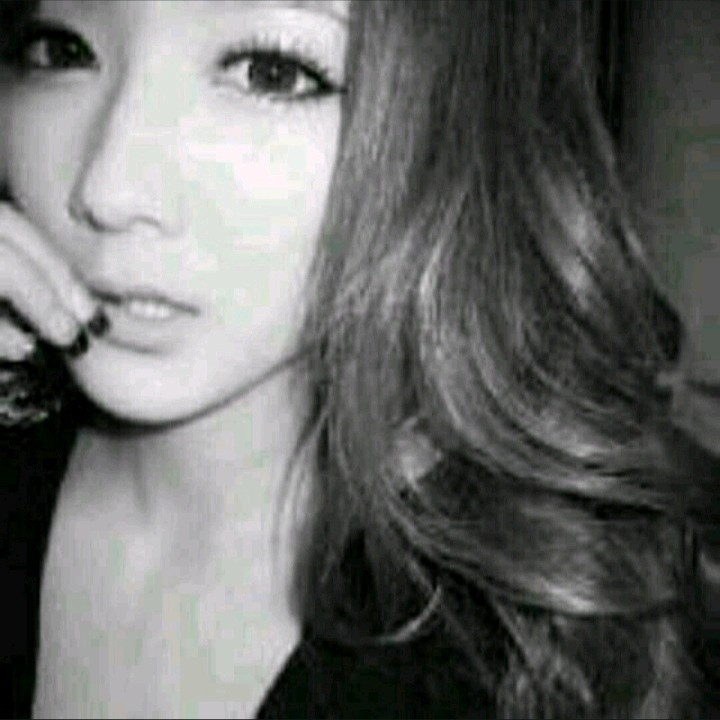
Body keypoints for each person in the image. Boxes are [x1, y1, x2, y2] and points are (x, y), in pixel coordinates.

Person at [0, 0, 717, 717]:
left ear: (457, 123)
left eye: (271, 73)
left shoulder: (549, 643)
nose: (108, 190)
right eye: (60, 50)